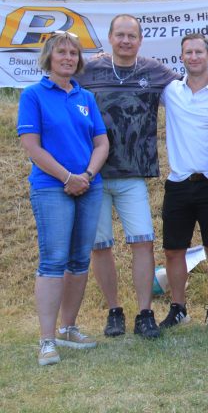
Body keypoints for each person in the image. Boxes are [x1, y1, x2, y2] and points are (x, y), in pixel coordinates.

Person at [79, 14, 208, 339]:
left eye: (131, 35)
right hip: (94, 174)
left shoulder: (157, 73)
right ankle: (117, 312)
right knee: (103, 246)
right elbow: (62, 86)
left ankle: (151, 313)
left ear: (140, 40)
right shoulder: (90, 70)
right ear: (109, 37)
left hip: (140, 174)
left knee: (148, 244)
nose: (125, 40)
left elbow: (203, 90)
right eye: (119, 34)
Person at [17, 31, 109, 365]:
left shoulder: (86, 97)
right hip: (51, 187)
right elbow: (32, 146)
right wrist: (67, 177)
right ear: (49, 58)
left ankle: (68, 328)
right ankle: (46, 339)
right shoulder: (33, 95)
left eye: (73, 53)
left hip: (88, 186)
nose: (68, 58)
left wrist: (85, 176)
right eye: (62, 53)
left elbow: (101, 142)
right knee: (53, 261)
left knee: (79, 260)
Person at [158, 33, 208, 331]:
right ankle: (179, 308)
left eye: (199, 52)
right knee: (173, 250)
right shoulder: (170, 91)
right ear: (181, 57)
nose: (193, 57)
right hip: (178, 182)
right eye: (188, 52)